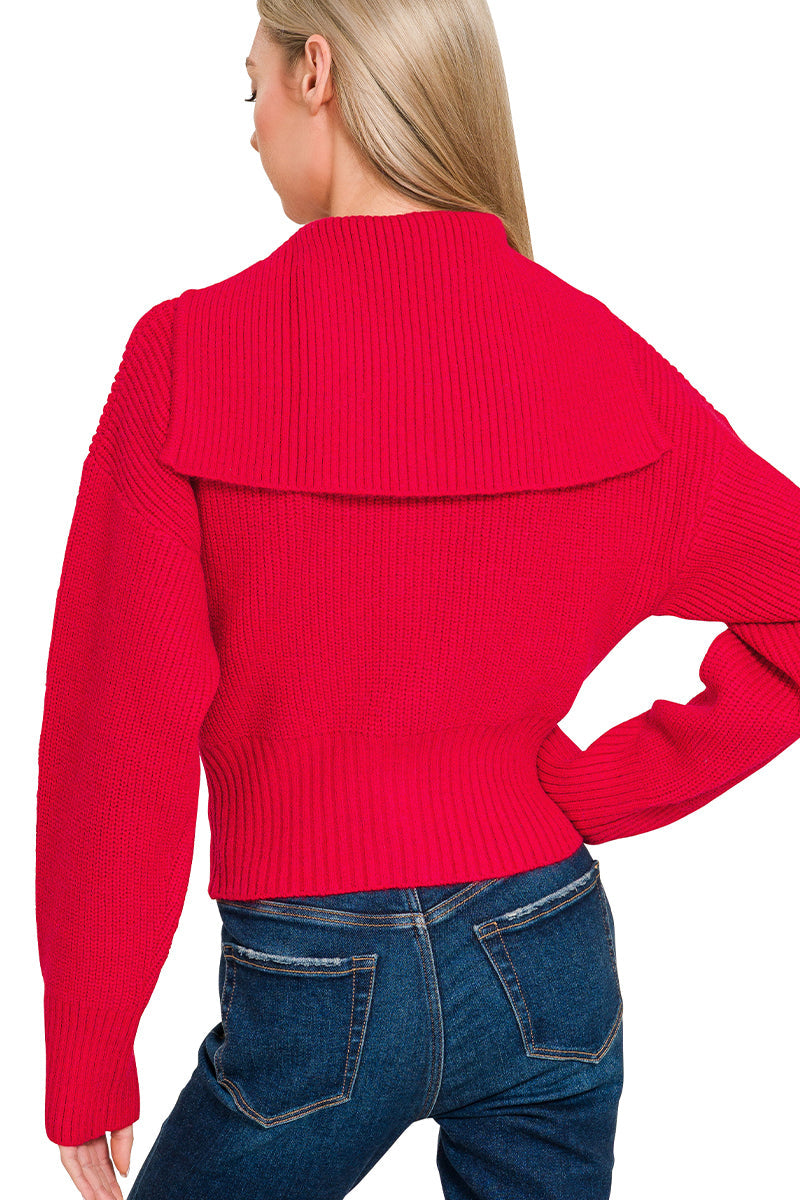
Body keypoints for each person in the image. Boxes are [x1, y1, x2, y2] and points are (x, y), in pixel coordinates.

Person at [35, 3, 800, 1199]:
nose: (249, 128)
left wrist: (90, 1048)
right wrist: (600, 789)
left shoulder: (188, 359)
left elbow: (117, 738)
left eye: (251, 88)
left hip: (313, 973)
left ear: (317, 71)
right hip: (545, 947)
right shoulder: (601, 360)